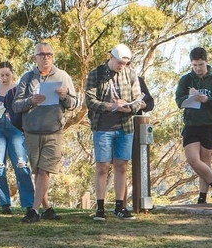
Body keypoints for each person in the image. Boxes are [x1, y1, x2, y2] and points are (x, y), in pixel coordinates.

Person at [84, 44, 154, 221]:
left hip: (125, 127)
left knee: (121, 166)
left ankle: (120, 206)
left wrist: (128, 107)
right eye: (119, 62)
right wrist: (111, 106)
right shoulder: (96, 74)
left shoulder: (131, 75)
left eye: (125, 63)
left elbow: (139, 100)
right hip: (103, 127)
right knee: (102, 167)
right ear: (111, 57)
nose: (121, 66)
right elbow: (90, 101)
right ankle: (100, 207)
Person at [13, 43, 78, 223]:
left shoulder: (62, 76)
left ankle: (33, 211)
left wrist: (64, 96)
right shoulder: (27, 78)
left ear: (53, 56)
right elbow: (16, 105)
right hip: (32, 131)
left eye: (49, 54)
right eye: (41, 54)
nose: (45, 57)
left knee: (44, 170)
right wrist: (30, 100)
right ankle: (47, 208)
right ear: (35, 57)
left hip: (54, 131)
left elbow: (74, 104)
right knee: (38, 171)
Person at [175, 47, 212, 205]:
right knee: (193, 160)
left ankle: (202, 197)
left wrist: (207, 100)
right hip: (191, 125)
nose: (198, 68)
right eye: (194, 65)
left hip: (210, 124)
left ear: (206, 62)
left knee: (205, 162)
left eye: (200, 64)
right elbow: (179, 100)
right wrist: (190, 96)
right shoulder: (186, 80)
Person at [0, 61, 35, 217]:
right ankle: (4, 203)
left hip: (15, 128)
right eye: (1, 75)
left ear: (13, 74)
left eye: (7, 74)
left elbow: (25, 106)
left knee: (21, 164)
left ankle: (29, 203)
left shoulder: (17, 89)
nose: (4, 78)